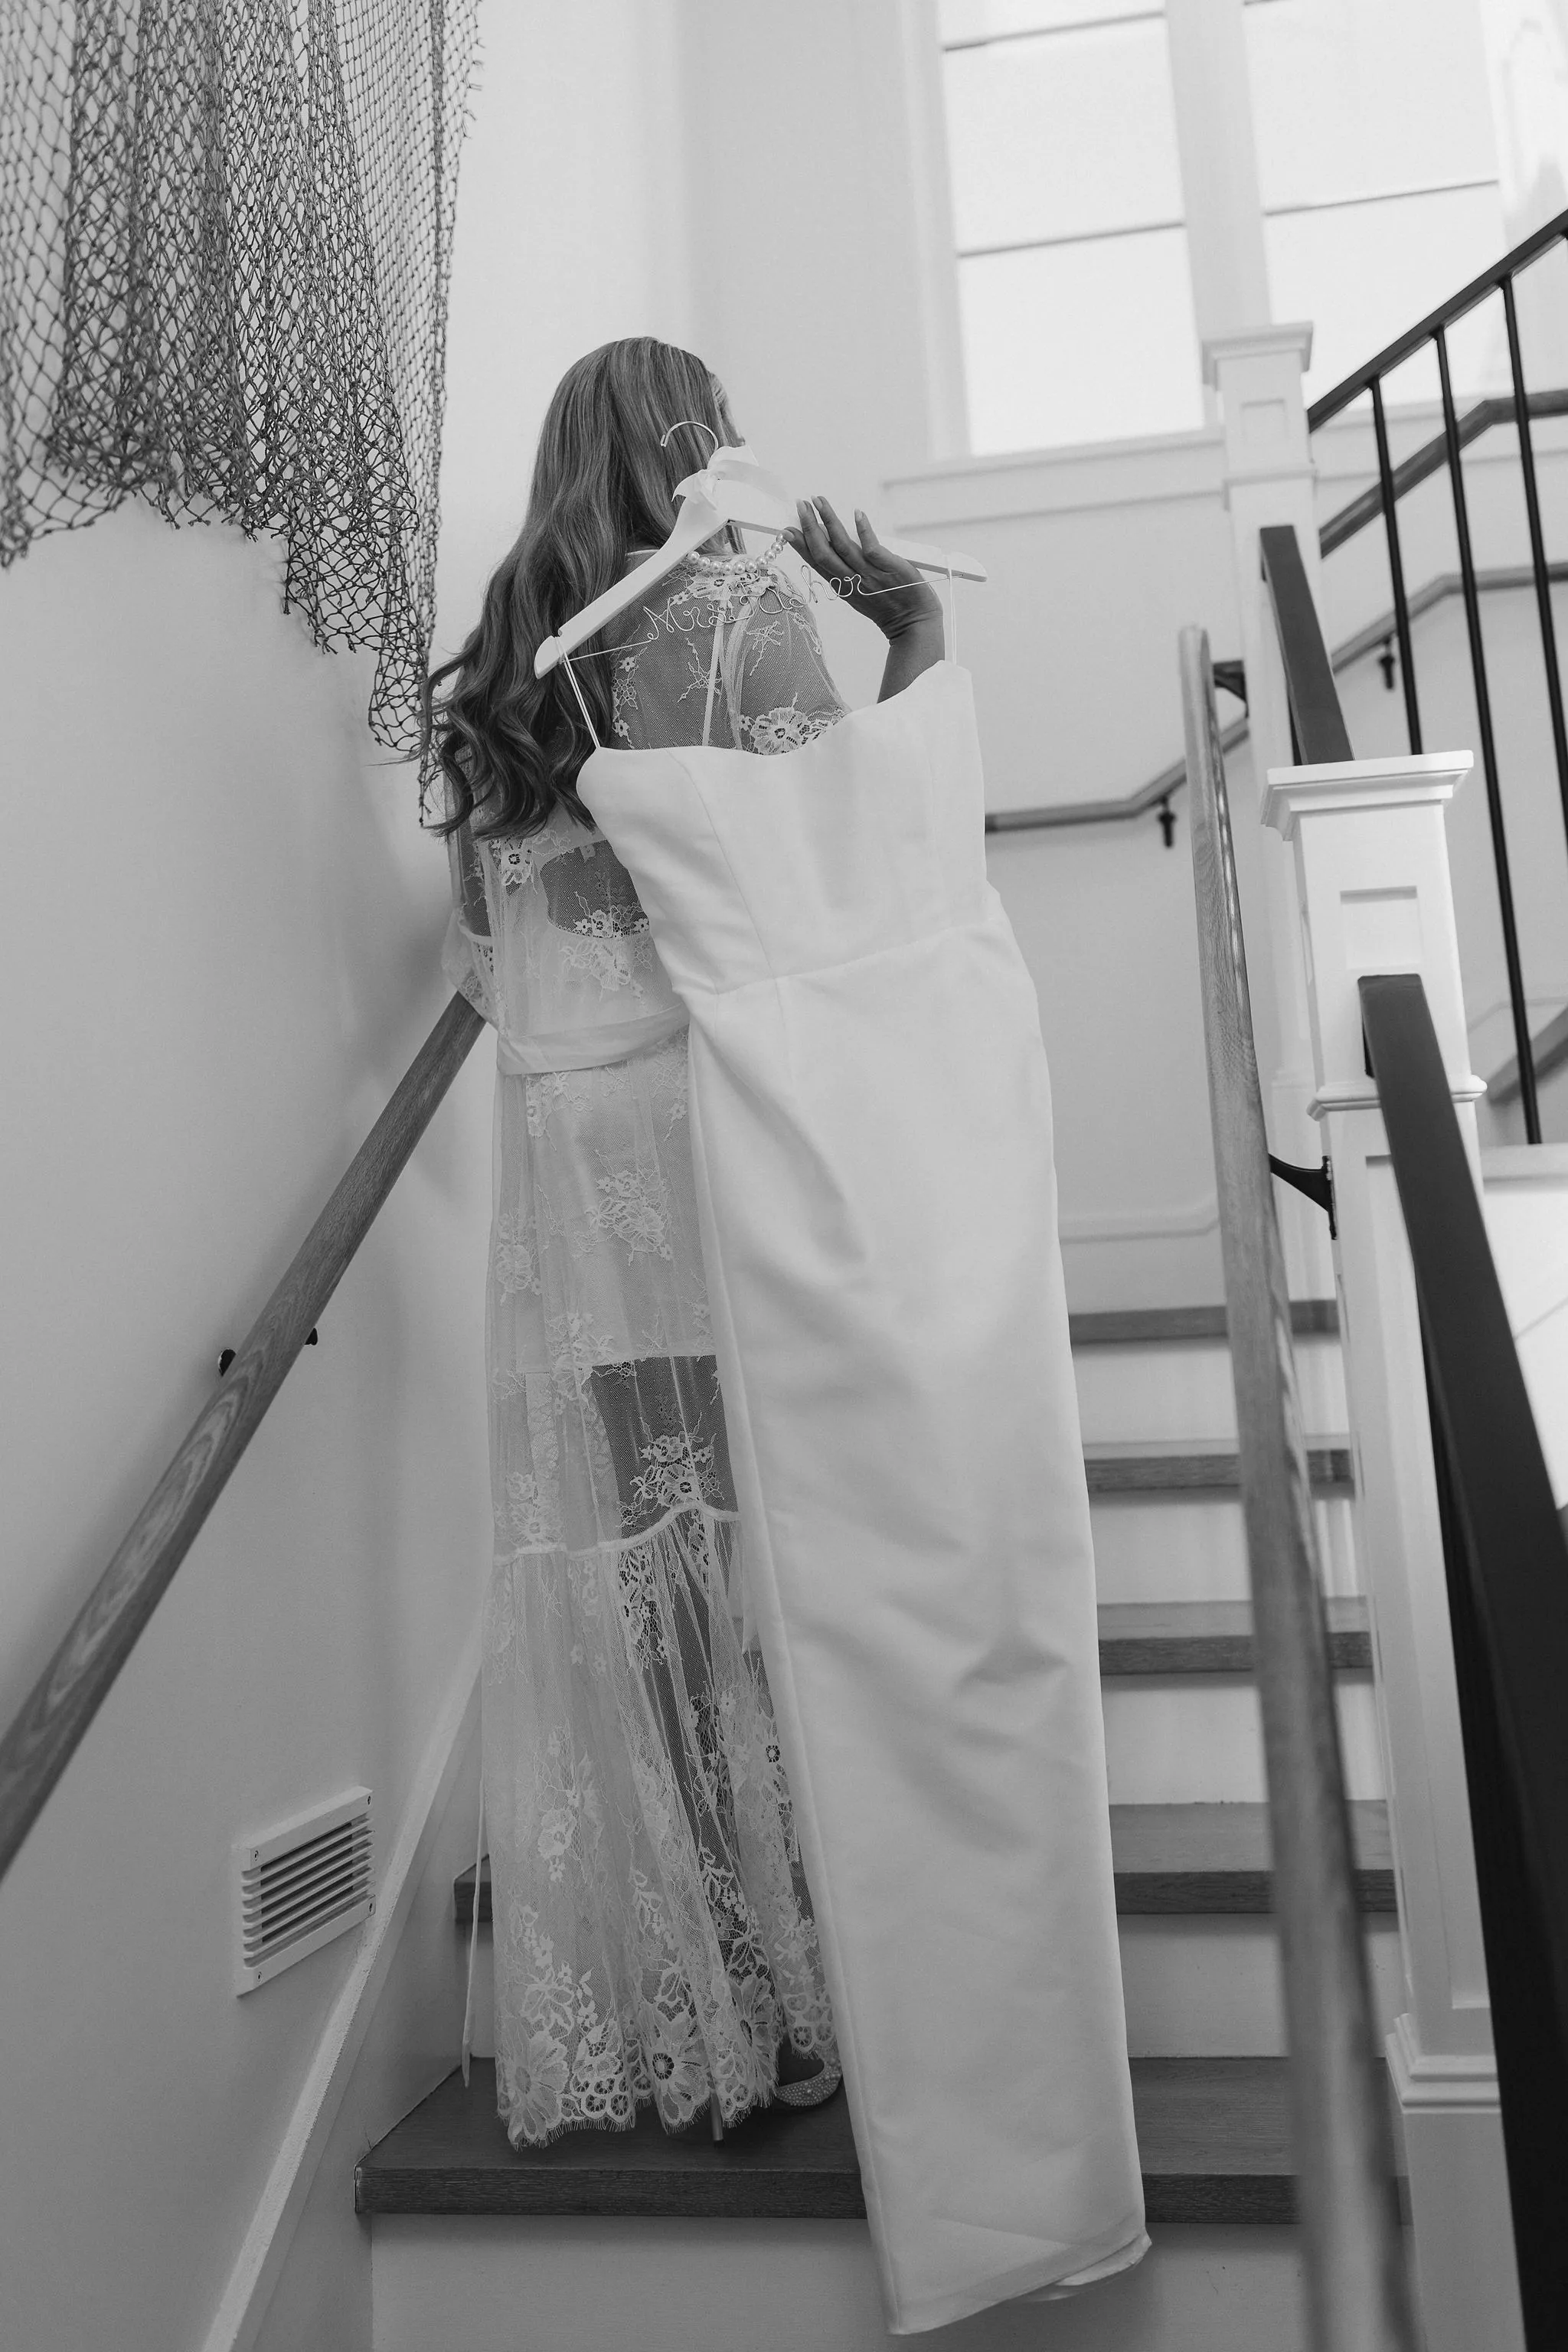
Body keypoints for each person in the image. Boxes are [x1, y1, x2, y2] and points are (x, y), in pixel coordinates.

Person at [428, 336, 941, 2151]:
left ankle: (720, 1981)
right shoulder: (723, 622)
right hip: (713, 1132)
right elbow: (845, 877)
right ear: (690, 448)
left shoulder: (495, 674)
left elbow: (493, 973)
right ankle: (826, 1973)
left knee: (655, 1566)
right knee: (779, 1552)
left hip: (565, 1167)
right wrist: (912, 644)